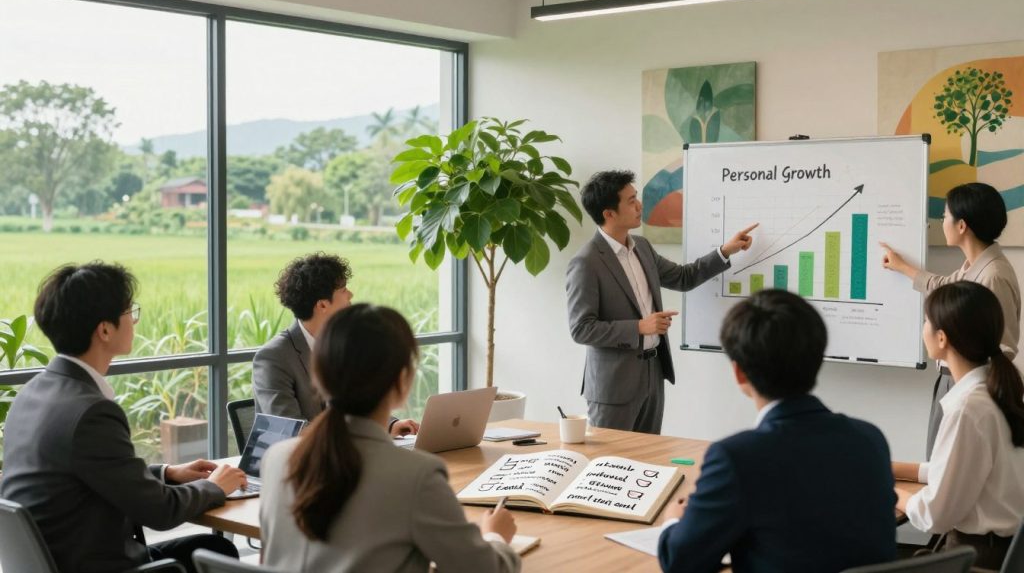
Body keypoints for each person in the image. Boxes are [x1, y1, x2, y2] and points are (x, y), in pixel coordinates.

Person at [0, 262, 246, 573]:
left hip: (62, 561)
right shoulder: (90, 411)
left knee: (213, 547)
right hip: (98, 565)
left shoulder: (34, 392)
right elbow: (161, 513)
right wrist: (215, 486)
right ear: (104, 329)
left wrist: (166, 473)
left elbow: (91, 472)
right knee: (214, 554)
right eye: (130, 312)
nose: (135, 321)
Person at [259, 304, 520, 572]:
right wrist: (495, 536)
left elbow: (266, 559)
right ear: (402, 380)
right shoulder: (417, 475)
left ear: (320, 376)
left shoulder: (276, 459)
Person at [658, 290, 896, 573]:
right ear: (817, 359)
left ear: (739, 373)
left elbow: (680, 562)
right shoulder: (870, 439)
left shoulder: (737, 458)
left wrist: (673, 520)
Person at [566, 169, 757, 434]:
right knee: (610, 466)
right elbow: (581, 328)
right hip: (613, 386)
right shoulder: (586, 262)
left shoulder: (642, 247)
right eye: (631, 201)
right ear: (608, 213)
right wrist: (639, 327)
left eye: (637, 197)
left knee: (647, 463)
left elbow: (683, 277)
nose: (639, 205)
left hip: (653, 375)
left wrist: (725, 251)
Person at [881, 182, 1021, 458]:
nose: (941, 222)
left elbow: (1002, 345)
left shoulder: (993, 276)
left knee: (946, 466)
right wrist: (903, 267)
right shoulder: (974, 266)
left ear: (961, 226)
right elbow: (943, 285)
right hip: (953, 380)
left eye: (945, 216)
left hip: (969, 385)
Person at [892, 281, 1024, 569]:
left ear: (942, 338)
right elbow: (966, 469)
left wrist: (888, 490)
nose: (923, 326)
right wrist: (898, 469)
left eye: (926, 320)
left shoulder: (968, 409)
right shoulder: (994, 391)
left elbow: (935, 516)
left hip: (980, 558)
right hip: (1004, 553)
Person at [252, 252, 418, 436]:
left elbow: (360, 403)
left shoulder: (344, 344)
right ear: (322, 305)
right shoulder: (273, 358)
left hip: (346, 454)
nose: (350, 294)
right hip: (296, 461)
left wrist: (389, 425)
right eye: (343, 290)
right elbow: (290, 431)